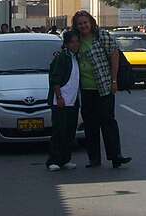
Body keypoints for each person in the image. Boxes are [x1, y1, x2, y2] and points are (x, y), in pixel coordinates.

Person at [72, 10, 131, 169]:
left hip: (104, 86)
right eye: (80, 24)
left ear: (91, 23)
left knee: (108, 121)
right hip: (85, 89)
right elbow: (67, 52)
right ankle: (94, 158)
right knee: (90, 125)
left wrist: (113, 80)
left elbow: (114, 55)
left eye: (85, 22)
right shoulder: (75, 40)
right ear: (76, 26)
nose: (83, 26)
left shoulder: (101, 35)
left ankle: (115, 156)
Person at [46, 30, 80, 171]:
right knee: (59, 131)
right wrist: (59, 97)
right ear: (66, 44)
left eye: (77, 42)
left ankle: (65, 159)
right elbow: (55, 79)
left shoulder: (76, 57)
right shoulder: (61, 58)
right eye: (72, 42)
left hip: (72, 101)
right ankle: (53, 160)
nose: (75, 45)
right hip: (60, 101)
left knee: (70, 131)